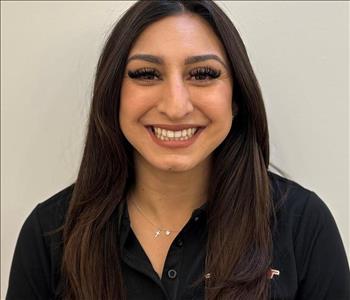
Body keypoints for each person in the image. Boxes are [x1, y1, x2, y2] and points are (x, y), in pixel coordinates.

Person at [6, 1, 350, 299]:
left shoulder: (303, 225)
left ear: (237, 99)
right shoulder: (49, 233)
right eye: (146, 74)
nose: (175, 106)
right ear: (113, 96)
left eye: (202, 74)